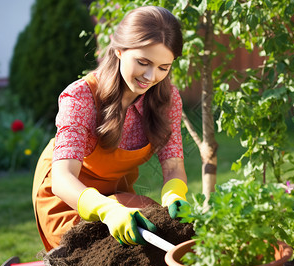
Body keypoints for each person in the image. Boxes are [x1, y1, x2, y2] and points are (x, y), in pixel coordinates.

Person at [32, 6, 189, 252]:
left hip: (116, 194)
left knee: (153, 232)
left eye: (163, 67)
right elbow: (62, 180)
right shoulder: (81, 96)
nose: (150, 76)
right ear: (118, 49)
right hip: (67, 200)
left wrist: (175, 195)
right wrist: (107, 210)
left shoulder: (167, 99)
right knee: (116, 249)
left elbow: (174, 167)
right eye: (143, 62)